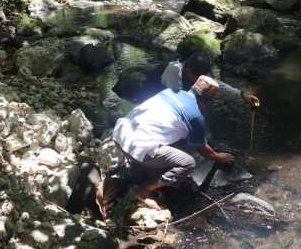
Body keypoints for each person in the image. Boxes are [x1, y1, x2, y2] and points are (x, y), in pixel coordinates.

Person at [97, 76, 234, 216]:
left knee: (174, 138)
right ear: (207, 101)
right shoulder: (195, 117)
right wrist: (218, 156)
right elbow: (203, 149)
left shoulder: (170, 92)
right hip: (138, 149)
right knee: (188, 163)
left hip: (119, 135)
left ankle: (148, 168)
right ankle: (144, 190)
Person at [161, 52, 261, 109]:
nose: (202, 79)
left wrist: (242, 95)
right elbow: (176, 103)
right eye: (198, 76)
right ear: (188, 70)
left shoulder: (197, 68)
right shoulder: (174, 70)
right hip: (159, 95)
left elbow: (218, 84)